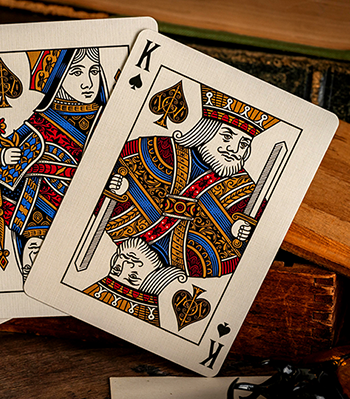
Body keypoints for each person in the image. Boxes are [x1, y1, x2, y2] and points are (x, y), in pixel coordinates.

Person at [85, 85, 280, 322]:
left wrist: (243, 231)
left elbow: (257, 242)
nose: (234, 149)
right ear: (206, 131)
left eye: (243, 144)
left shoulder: (241, 187)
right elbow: (112, 164)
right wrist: (114, 186)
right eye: (227, 137)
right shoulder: (159, 151)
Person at [0, 48, 109, 281]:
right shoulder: (41, 119)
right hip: (33, 215)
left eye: (94, 71)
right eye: (77, 72)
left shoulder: (108, 120)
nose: (88, 83)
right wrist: (1, 155)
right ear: (57, 77)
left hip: (82, 219)